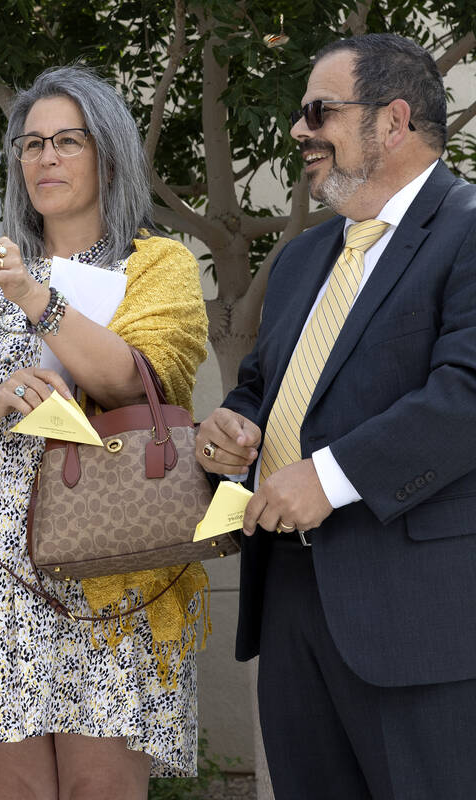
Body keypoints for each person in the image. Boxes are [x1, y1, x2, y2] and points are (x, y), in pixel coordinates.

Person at [0, 65, 210, 799]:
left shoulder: (154, 265)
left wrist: (35, 296)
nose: (45, 159)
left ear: (108, 153)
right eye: (31, 144)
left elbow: (135, 380)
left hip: (109, 573)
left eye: (67, 141)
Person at [196, 33, 476, 799]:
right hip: (290, 602)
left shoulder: (468, 227)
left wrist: (331, 476)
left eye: (320, 110)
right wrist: (229, 430)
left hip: (418, 619)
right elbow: (258, 387)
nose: (298, 131)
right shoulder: (299, 260)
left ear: (393, 121)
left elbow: (469, 392)